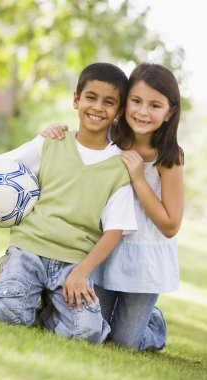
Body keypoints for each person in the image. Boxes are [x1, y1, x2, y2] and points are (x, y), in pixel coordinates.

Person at [0, 62, 138, 344]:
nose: (98, 107)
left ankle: (45, 307)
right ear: (76, 99)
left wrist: (82, 272)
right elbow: (0, 164)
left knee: (86, 333)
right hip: (28, 250)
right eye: (91, 97)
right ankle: (19, 286)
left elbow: (114, 231)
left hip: (73, 264)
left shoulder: (119, 167)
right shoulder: (51, 142)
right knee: (7, 314)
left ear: (118, 113)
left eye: (109, 102)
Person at [40, 63, 184, 351]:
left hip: (145, 258)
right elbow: (78, 142)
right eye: (136, 101)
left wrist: (139, 179)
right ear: (125, 102)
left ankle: (152, 323)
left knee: (125, 342)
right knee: (98, 331)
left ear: (169, 112)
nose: (143, 112)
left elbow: (170, 226)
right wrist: (54, 130)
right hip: (105, 249)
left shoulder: (169, 157)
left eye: (155, 105)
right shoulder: (112, 139)